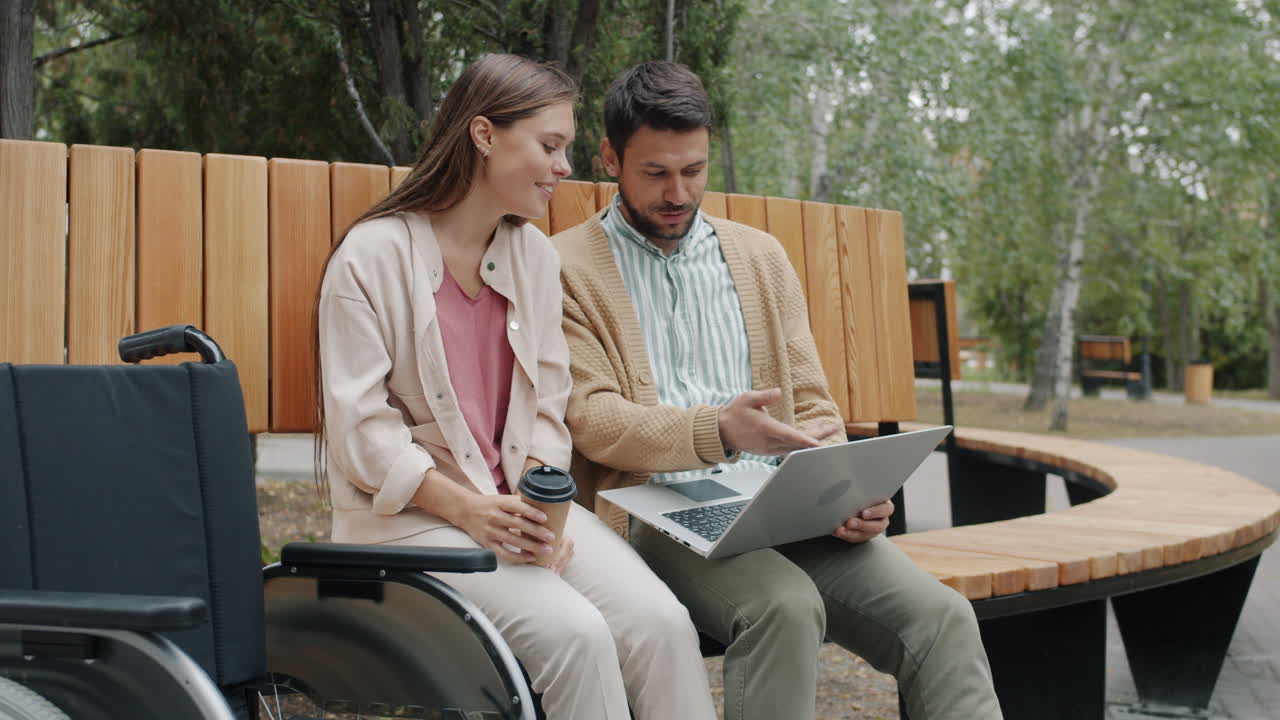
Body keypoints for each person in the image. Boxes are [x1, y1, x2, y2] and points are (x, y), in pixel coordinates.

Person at [552, 61, 1004, 720]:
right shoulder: (567, 267)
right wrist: (719, 431)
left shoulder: (759, 257)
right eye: (655, 173)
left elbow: (814, 405)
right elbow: (592, 420)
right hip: (658, 512)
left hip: (782, 503)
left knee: (942, 617)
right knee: (784, 608)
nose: (678, 192)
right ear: (610, 158)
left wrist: (850, 491)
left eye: (694, 170)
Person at [316, 54, 716, 720]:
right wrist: (472, 512)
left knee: (661, 625)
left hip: (512, 514)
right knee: (576, 635)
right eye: (550, 146)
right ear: (483, 135)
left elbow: (547, 413)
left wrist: (540, 517)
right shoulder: (372, 255)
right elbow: (363, 435)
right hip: (408, 526)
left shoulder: (532, 256)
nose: (566, 166)